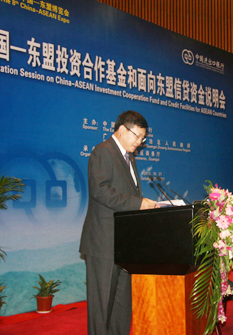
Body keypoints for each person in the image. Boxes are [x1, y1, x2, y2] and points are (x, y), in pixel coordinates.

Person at [79, 110, 157, 335]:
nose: (139, 142)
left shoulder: (129, 157)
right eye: (137, 136)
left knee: (122, 306)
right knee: (101, 307)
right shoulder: (103, 152)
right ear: (122, 129)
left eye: (143, 138)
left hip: (124, 243)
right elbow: (100, 191)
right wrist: (138, 204)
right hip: (104, 243)